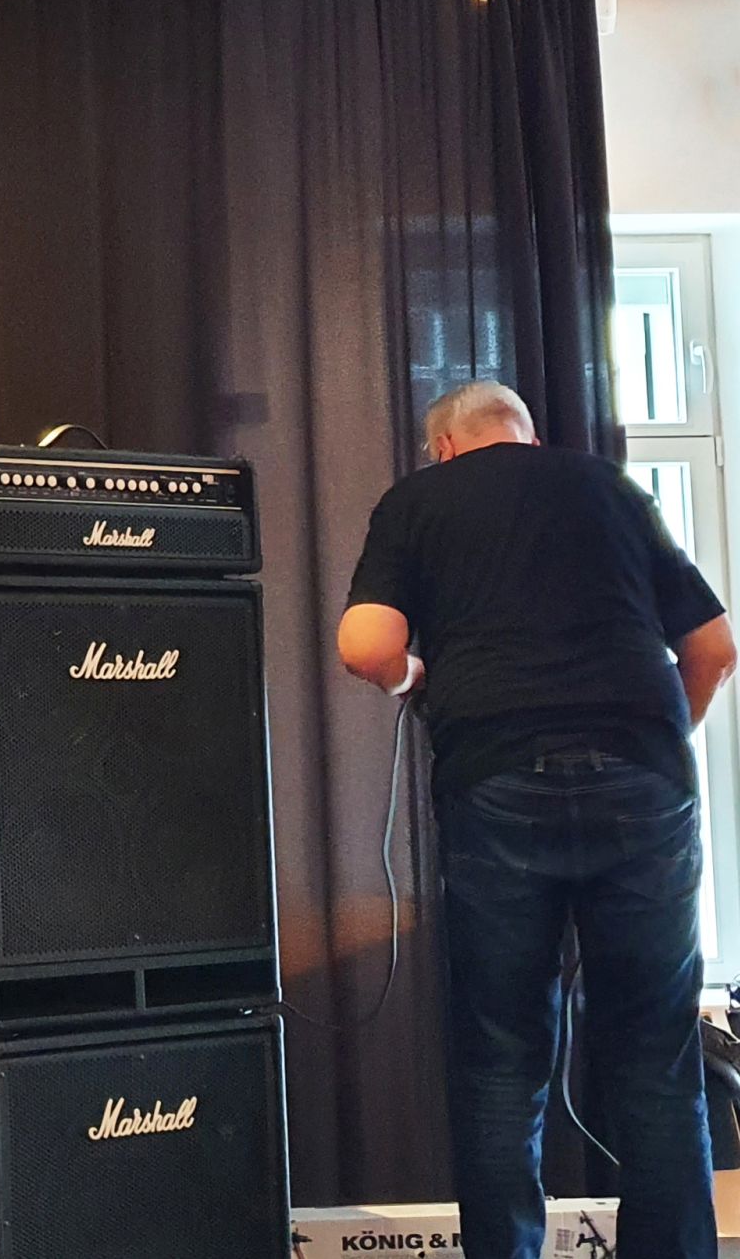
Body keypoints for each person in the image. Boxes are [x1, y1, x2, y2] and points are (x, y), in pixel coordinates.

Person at [338, 380, 737, 1259]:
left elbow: (365, 644)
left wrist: (412, 678)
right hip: (644, 780)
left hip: (498, 778)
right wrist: (655, 742)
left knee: (501, 1059)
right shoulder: (609, 487)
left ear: (444, 446)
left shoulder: (419, 500)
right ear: (525, 435)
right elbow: (714, 647)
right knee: (657, 1058)